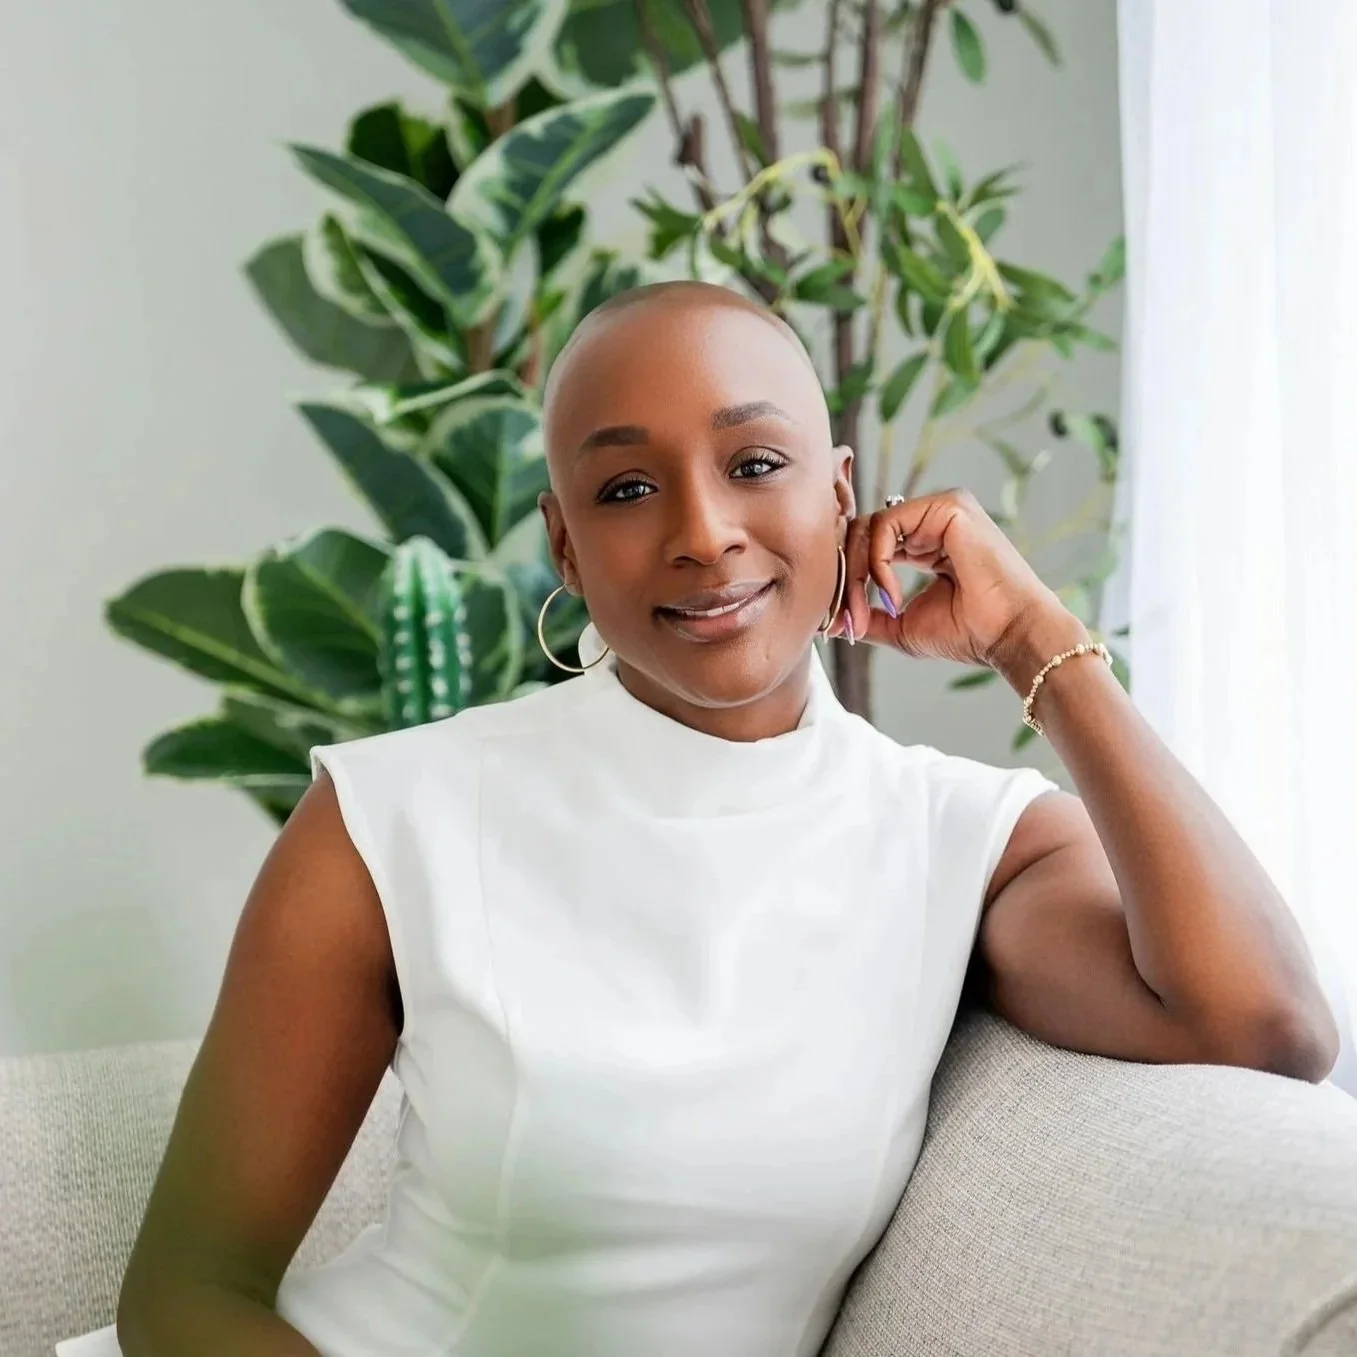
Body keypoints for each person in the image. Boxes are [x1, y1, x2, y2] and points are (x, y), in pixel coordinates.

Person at [99, 281, 1336, 1357]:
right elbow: (183, 1298)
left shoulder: (959, 838)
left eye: (754, 465)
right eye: (628, 487)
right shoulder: (388, 819)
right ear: (565, 546)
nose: (702, 534)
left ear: (840, 494)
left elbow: (1262, 1022)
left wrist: (1029, 636)